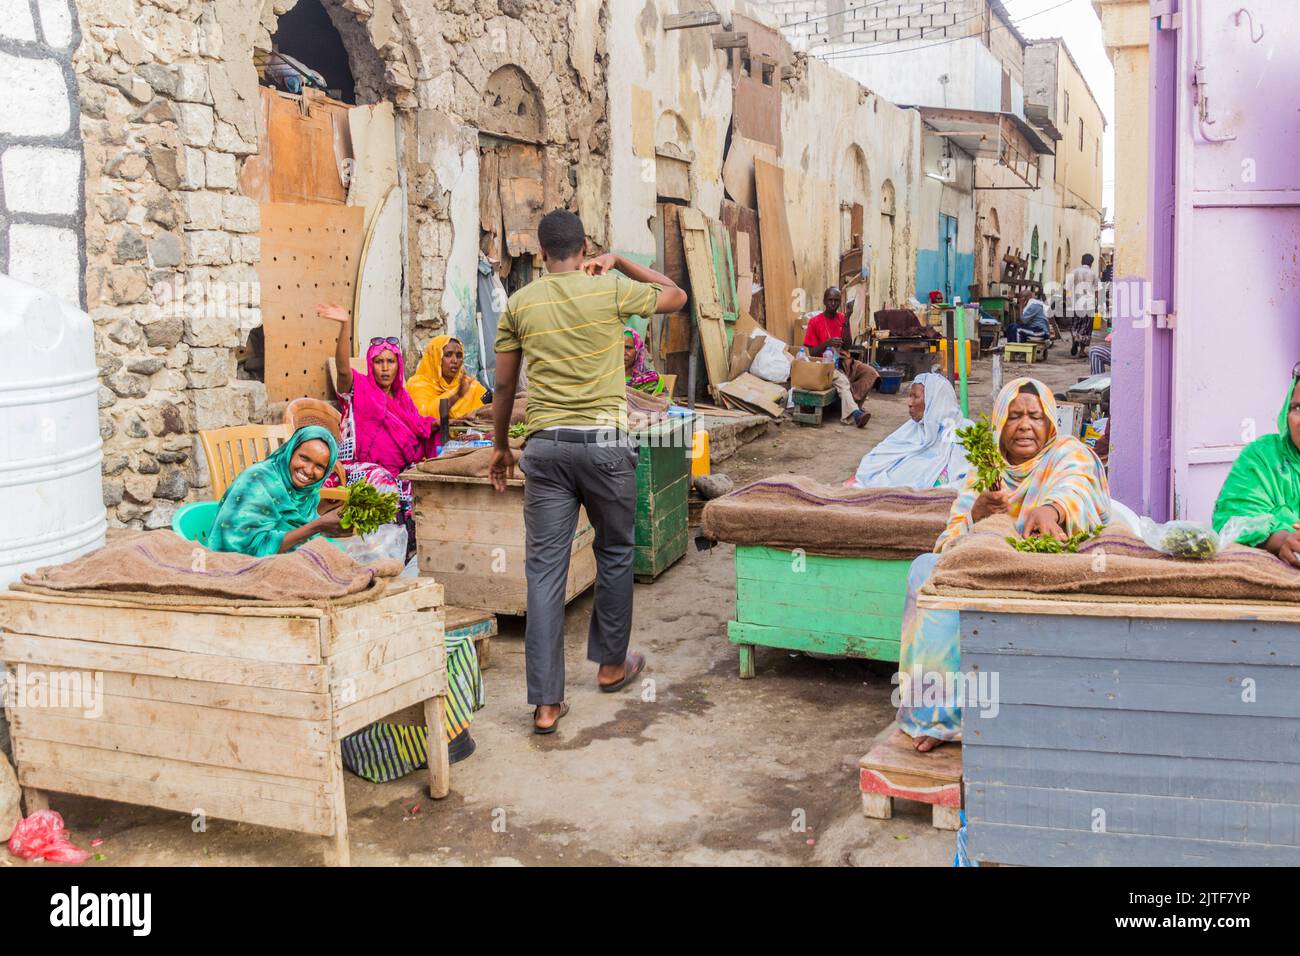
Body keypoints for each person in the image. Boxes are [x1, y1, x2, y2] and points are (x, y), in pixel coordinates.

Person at [488, 209, 688, 734]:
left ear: (541, 252)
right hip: (604, 444)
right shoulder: (612, 290)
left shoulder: (519, 303)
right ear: (585, 248)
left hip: (547, 446)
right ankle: (610, 666)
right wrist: (621, 260)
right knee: (616, 552)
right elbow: (676, 296)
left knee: (545, 572)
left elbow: (504, 388)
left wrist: (499, 448)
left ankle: (546, 705)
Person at [897, 378, 1111, 751]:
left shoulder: (1066, 453)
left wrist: (1052, 510)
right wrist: (978, 513)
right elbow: (950, 540)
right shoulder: (987, 469)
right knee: (924, 569)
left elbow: (1077, 488)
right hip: (985, 565)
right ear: (999, 423)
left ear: (1050, 424)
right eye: (1014, 416)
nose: (1025, 425)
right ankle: (935, 716)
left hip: (1044, 561)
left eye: (1035, 416)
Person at [317, 304, 440, 525]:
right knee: (382, 479)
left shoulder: (403, 399)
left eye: (390, 361)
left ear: (398, 365)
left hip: (398, 470)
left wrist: (446, 422)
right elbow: (343, 369)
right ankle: (391, 534)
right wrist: (345, 325)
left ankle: (411, 536)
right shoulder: (358, 387)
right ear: (370, 365)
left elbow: (420, 427)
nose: (385, 368)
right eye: (378, 361)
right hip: (359, 469)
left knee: (422, 479)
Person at [208, 425, 351, 556]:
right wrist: (317, 526)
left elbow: (300, 526)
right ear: (290, 451)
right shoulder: (258, 480)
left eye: (320, 466)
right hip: (240, 562)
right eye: (304, 458)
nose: (308, 470)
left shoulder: (308, 492)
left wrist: (326, 517)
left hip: (288, 560)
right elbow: (243, 547)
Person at [1212, 366, 1300, 567]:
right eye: (1298, 408)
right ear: (1286, 412)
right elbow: (1233, 520)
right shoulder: (1262, 457)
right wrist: (1283, 539)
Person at [848, 373, 972, 489]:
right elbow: (878, 457)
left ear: (934, 401)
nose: (909, 403)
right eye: (910, 396)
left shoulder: (963, 433)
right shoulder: (913, 427)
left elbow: (964, 477)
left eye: (916, 397)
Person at [803, 286, 873, 428]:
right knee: (843, 382)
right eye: (830, 300)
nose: (833, 304)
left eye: (836, 300)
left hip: (843, 360)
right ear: (824, 301)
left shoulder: (842, 318)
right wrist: (828, 343)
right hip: (824, 365)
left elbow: (847, 346)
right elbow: (812, 352)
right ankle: (855, 414)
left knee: (870, 373)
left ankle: (855, 403)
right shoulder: (815, 322)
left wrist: (847, 319)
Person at [407, 334, 490, 421]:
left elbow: (491, 410)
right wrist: (456, 395)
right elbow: (424, 418)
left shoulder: (470, 386)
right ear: (435, 357)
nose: (454, 360)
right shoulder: (418, 385)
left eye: (459, 356)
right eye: (448, 355)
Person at [1066, 253, 1099, 356]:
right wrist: (1097, 304)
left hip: (1076, 303)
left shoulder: (1074, 272)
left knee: (1075, 324)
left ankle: (1075, 339)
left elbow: (1067, 288)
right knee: (1086, 327)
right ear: (1091, 263)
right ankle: (1081, 351)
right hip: (1089, 304)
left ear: (1082, 261)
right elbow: (1097, 290)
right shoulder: (1093, 274)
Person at [623, 328, 664, 394]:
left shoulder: (652, 380)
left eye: (628, 348)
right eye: (619, 347)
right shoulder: (605, 378)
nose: (623, 352)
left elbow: (663, 402)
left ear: (638, 351)